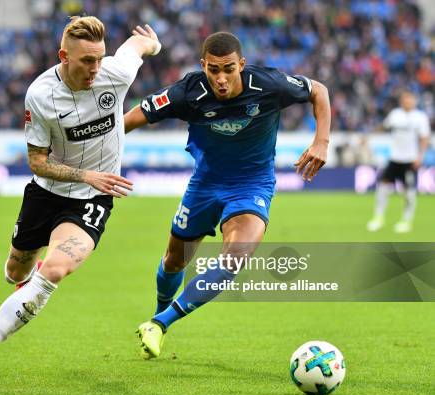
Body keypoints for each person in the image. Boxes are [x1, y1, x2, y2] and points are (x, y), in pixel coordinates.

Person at [0, 16, 161, 377]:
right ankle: (24, 286)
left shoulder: (116, 74)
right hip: (46, 195)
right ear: (64, 56)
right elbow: (37, 162)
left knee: (55, 269)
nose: (96, 68)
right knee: (16, 269)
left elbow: (139, 46)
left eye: (99, 59)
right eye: (86, 61)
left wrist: (152, 44)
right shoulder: (41, 95)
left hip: (92, 199)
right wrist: (85, 173)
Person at [124, 32, 330, 359]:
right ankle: (155, 318)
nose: (221, 78)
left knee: (235, 258)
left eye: (229, 69)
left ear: (242, 65)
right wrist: (94, 148)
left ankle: (161, 323)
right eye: (214, 70)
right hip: (205, 185)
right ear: (203, 66)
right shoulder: (187, 92)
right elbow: (133, 118)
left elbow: (318, 90)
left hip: (252, 185)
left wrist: (321, 141)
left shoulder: (270, 85)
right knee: (174, 259)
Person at [366, 91, 431, 233]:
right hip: (395, 158)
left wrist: (420, 156)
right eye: (405, 99)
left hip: (410, 160)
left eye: (410, 99)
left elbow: (424, 138)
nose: (408, 101)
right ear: (402, 101)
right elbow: (384, 126)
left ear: (414, 100)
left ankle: (406, 221)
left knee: (409, 193)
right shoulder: (395, 114)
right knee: (382, 187)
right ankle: (379, 218)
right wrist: (369, 136)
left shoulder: (420, 117)